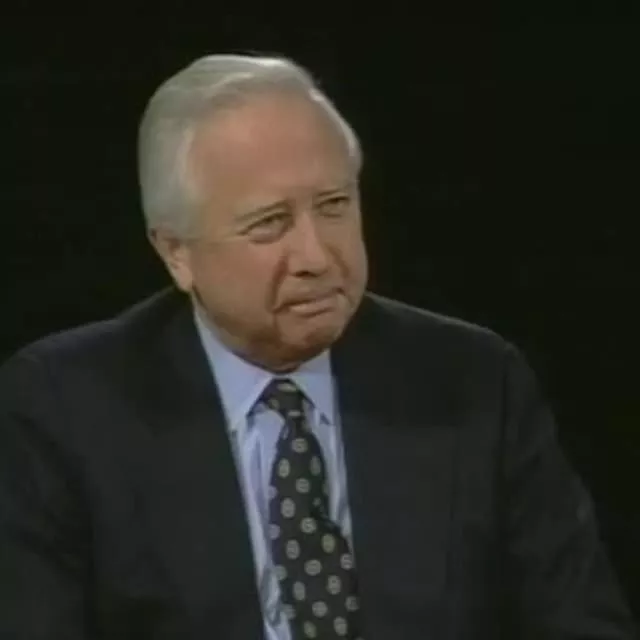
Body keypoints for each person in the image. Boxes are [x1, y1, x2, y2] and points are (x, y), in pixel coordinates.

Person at [0, 53, 635, 640]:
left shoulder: (474, 381)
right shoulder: (67, 408)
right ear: (176, 253)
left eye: (333, 206)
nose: (316, 256)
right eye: (269, 224)